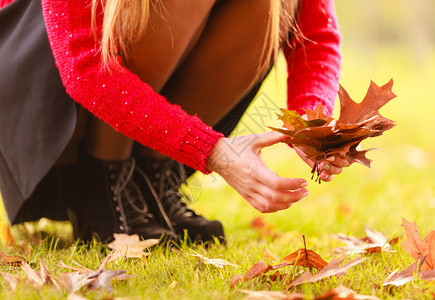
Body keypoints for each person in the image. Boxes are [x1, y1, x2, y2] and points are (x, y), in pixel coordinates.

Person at [0, 0, 346, 244]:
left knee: (276, 4)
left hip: (122, 94)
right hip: (41, 93)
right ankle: (104, 178)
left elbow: (316, 33)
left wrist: (310, 125)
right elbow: (86, 69)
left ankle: (151, 179)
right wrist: (213, 151)